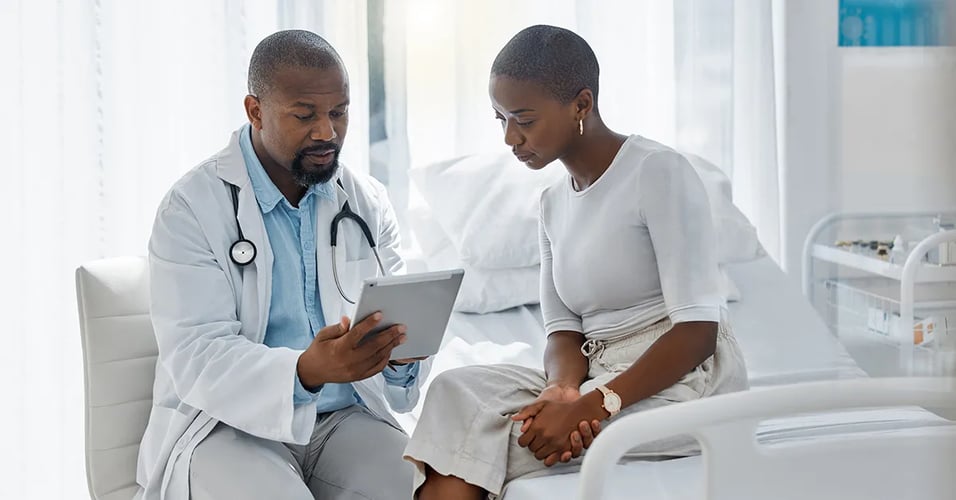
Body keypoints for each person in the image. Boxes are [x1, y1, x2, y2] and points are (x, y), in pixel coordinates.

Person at [404, 25, 749, 499]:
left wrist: (596, 404)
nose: (510, 137)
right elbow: (563, 329)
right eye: (500, 118)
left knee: (486, 439)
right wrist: (562, 392)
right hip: (593, 375)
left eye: (524, 119)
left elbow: (698, 331)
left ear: (581, 105)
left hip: (682, 381)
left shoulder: (658, 172)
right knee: (454, 392)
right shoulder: (551, 203)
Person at [137, 30, 428, 500]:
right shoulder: (191, 207)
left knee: (422, 489)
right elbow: (197, 354)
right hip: (225, 428)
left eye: (339, 112)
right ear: (255, 111)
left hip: (341, 421)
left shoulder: (365, 200)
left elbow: (397, 329)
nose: (327, 132)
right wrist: (306, 370)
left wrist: (399, 356)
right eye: (305, 115)